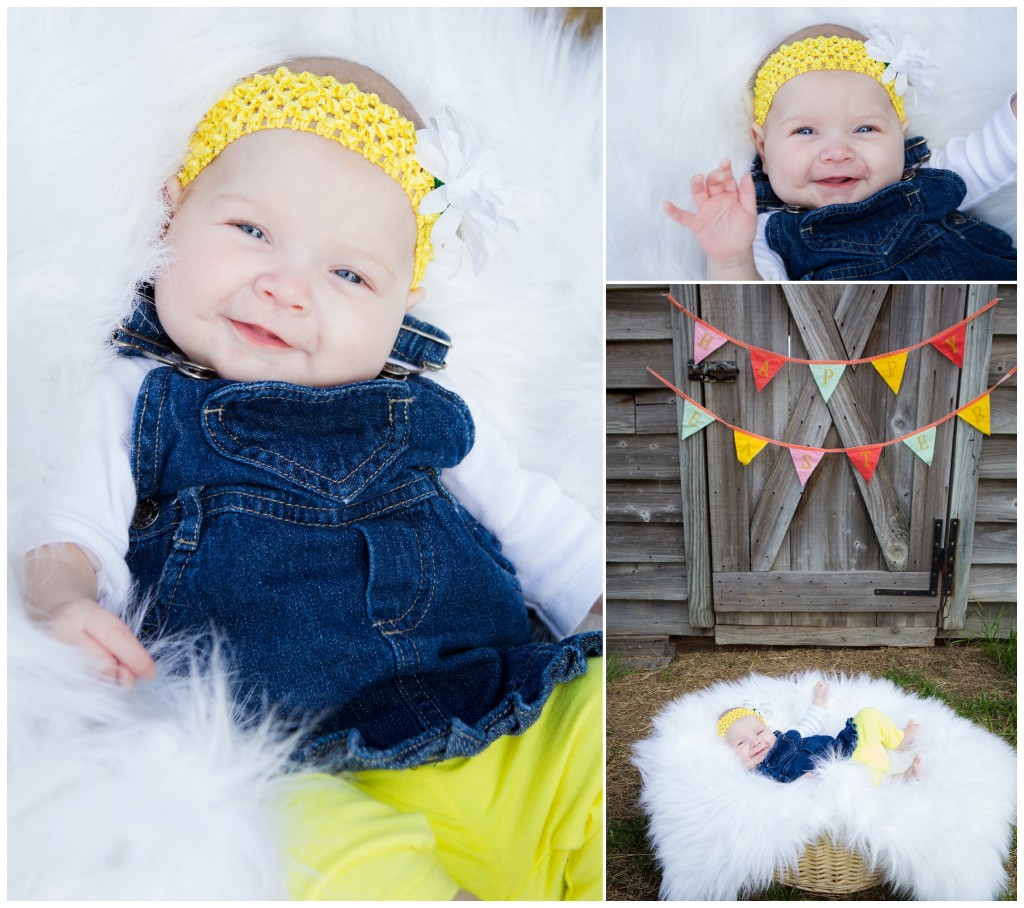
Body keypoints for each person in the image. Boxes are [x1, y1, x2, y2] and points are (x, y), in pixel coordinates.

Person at [21, 57, 602, 900]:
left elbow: (552, 535)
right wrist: (64, 605)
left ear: (402, 306)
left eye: (348, 274)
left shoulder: (425, 410)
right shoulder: (134, 399)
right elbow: (69, 526)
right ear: (171, 213)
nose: (285, 287)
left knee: (601, 741)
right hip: (294, 761)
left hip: (500, 715)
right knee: (309, 862)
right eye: (251, 231)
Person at [664, 24, 1017, 280]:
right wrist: (730, 259)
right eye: (805, 131)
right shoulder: (764, 235)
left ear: (899, 134)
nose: (836, 152)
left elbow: (988, 155)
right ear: (763, 149)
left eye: (865, 129)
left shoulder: (924, 175)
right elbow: (752, 308)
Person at [719, 681, 922, 785]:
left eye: (759, 732)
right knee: (857, 779)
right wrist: (798, 786)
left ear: (770, 730)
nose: (754, 742)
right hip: (835, 775)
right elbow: (775, 804)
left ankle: (898, 740)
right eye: (741, 743)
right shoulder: (760, 778)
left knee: (866, 715)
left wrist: (819, 698)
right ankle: (899, 779)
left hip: (846, 747)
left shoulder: (789, 736)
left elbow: (811, 721)